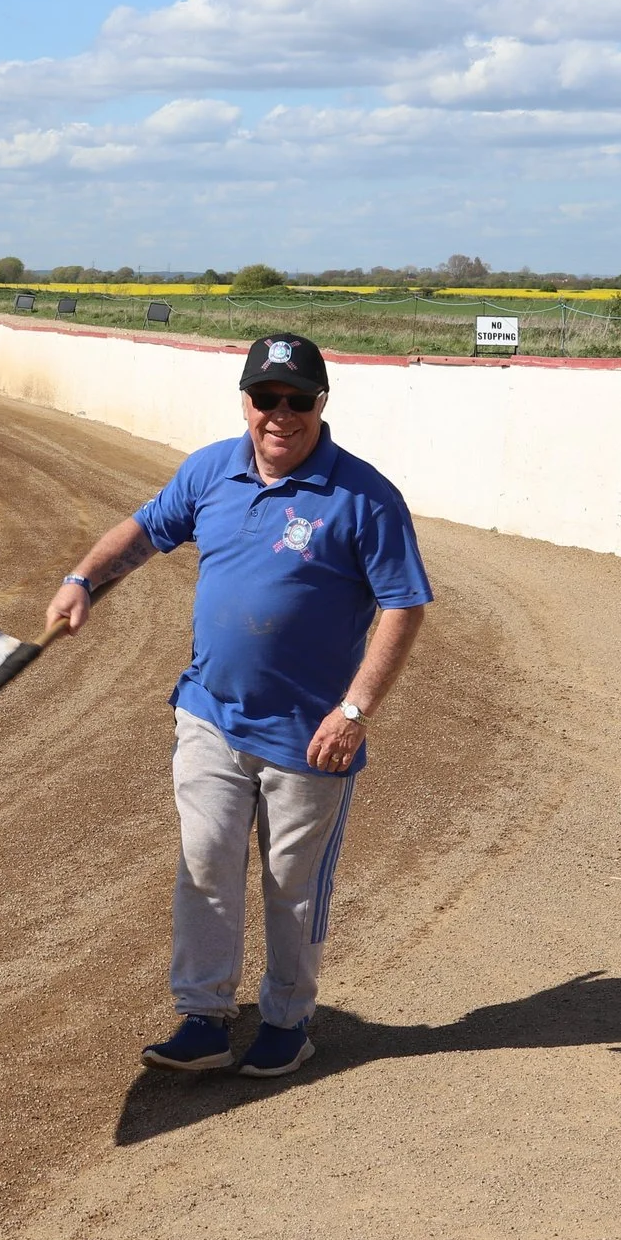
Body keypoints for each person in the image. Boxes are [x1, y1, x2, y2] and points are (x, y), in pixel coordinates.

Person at [46, 334, 431, 1078]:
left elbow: (403, 605)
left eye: (298, 399)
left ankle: (287, 1021)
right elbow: (146, 529)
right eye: (266, 397)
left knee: (293, 889)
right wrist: (82, 579)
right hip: (210, 715)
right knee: (204, 866)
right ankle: (203, 1016)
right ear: (245, 401)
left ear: (321, 403)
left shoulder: (366, 497)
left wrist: (354, 712)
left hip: (309, 736)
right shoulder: (210, 469)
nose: (280, 414)